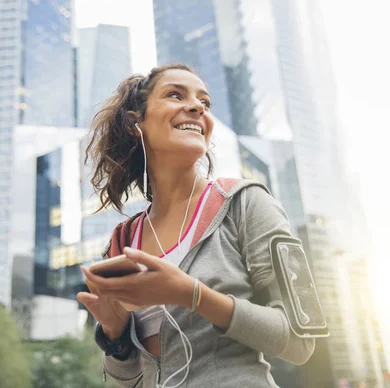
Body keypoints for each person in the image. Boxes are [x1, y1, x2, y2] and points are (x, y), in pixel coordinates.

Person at [77, 63, 315, 387]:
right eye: (175, 95)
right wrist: (115, 334)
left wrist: (192, 294)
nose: (196, 107)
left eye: (205, 102)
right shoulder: (122, 243)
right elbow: (130, 381)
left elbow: (301, 341)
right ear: (137, 123)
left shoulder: (246, 203)